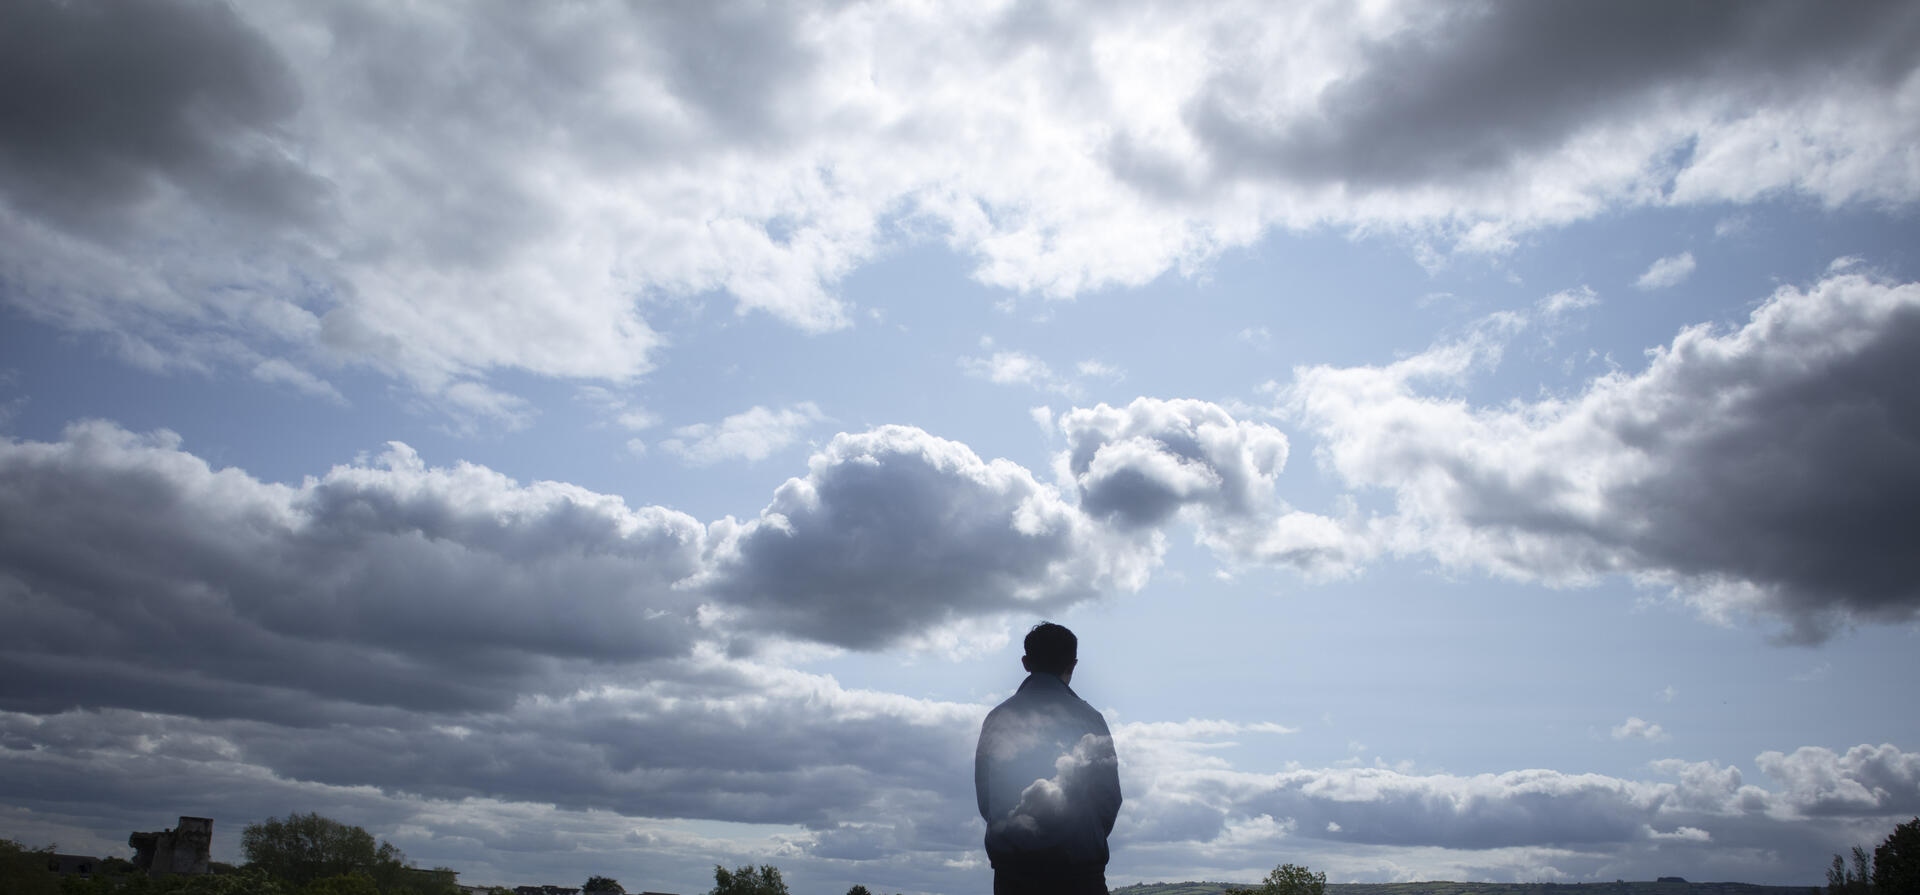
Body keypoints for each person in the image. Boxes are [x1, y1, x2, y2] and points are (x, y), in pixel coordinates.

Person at [975, 622, 1122, 895]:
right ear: (1073, 664)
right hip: (1081, 873)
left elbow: (987, 799)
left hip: (1014, 875)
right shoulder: (1090, 718)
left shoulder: (997, 719)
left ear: (1025, 662)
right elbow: (1109, 797)